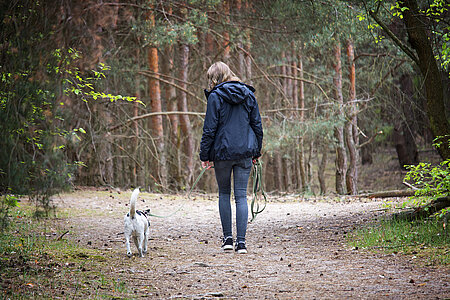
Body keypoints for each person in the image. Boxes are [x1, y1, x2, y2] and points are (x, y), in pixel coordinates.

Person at [200, 61, 263, 254]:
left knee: (225, 194)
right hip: (245, 152)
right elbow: (257, 126)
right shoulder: (248, 95)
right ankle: (241, 243)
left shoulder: (215, 97)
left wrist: (205, 155)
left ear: (215, 78)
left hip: (222, 153)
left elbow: (209, 129)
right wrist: (256, 151)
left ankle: (228, 239)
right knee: (241, 196)